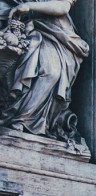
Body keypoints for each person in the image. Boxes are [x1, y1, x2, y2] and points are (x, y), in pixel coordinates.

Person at [0, 0, 89, 144]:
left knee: (51, 72)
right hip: (29, 27)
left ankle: (25, 121)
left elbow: (62, 6)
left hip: (58, 33)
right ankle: (18, 119)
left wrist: (29, 6)